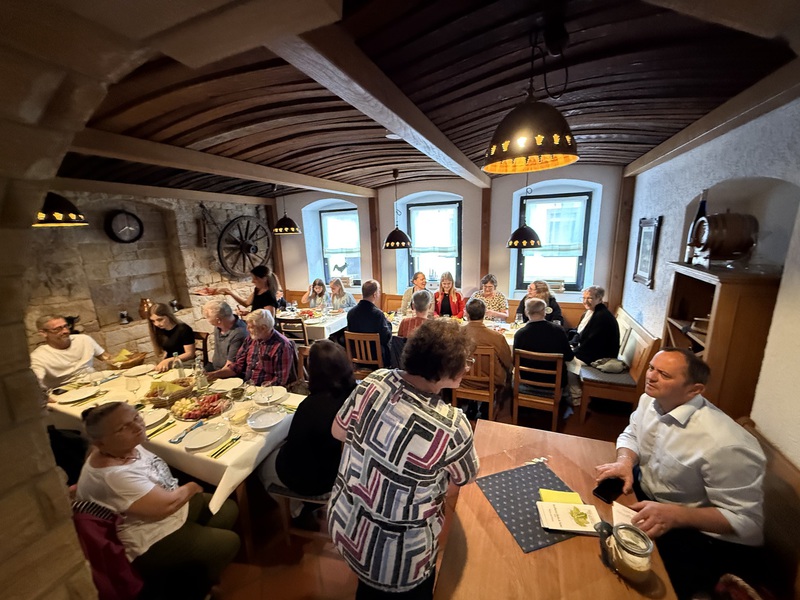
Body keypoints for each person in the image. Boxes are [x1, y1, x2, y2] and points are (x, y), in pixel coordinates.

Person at [595, 349, 766, 599]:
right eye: (651, 368)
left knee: (623, 580)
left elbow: (748, 522)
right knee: (596, 528)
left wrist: (677, 515)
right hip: (649, 500)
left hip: (699, 536)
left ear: (694, 390)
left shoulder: (725, 443)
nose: (650, 376)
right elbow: (631, 433)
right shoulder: (649, 401)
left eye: (664, 375)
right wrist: (625, 460)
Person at [328, 319, 479, 599]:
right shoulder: (453, 425)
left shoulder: (373, 381)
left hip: (346, 524)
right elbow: (464, 479)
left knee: (368, 589)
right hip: (398, 558)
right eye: (465, 362)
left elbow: (338, 432)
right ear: (445, 370)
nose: (468, 367)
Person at [76, 402, 240, 599]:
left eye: (136, 417)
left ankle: (195, 563)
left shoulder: (117, 448)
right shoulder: (113, 476)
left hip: (164, 504)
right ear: (100, 443)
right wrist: (191, 487)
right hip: (149, 536)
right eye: (122, 428)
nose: (137, 427)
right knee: (229, 542)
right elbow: (166, 505)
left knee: (228, 509)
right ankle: (196, 587)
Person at [258, 340, 356, 518]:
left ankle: (297, 510)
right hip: (345, 471)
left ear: (313, 372)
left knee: (260, 464)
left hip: (317, 481)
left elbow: (295, 449)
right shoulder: (355, 394)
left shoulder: (310, 406)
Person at [208, 309, 296, 386]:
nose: (247, 329)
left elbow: (280, 380)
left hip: (267, 390)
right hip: (248, 385)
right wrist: (214, 374)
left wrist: (260, 390)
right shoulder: (251, 338)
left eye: (251, 327)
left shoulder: (282, 345)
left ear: (264, 328)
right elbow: (237, 366)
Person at [513, 298, 574, 409]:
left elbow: (514, 362)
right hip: (554, 382)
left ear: (526, 312)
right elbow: (569, 357)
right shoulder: (558, 331)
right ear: (544, 312)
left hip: (527, 381)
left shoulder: (520, 334)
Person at [566, 285, 620, 404]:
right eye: (584, 298)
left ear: (599, 299)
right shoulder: (590, 312)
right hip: (590, 349)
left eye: (589, 298)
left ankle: (577, 397)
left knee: (567, 361)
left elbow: (593, 343)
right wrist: (570, 344)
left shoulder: (602, 317)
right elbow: (579, 332)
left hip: (600, 355)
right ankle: (568, 391)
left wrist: (572, 352)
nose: (585, 301)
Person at [30, 314, 111, 389]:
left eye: (66, 326)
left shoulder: (84, 339)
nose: (65, 331)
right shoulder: (38, 357)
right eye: (57, 329)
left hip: (95, 381)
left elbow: (106, 357)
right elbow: (35, 382)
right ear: (43, 333)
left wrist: (116, 363)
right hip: (67, 391)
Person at [463, 298, 512, 393]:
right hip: (490, 382)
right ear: (484, 314)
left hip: (462, 379)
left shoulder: (458, 333)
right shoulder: (497, 337)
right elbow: (508, 363)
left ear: (467, 314)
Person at [346, 279, 392, 367]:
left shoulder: (351, 313)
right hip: (376, 358)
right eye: (379, 291)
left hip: (357, 357)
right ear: (375, 294)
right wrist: (388, 323)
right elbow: (385, 338)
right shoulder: (377, 314)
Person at [201, 300, 248, 371]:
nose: (208, 320)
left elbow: (230, 365)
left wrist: (212, 375)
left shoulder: (239, 333)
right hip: (215, 367)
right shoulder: (218, 327)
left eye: (208, 317)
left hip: (230, 372)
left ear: (218, 320)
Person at [148, 303, 196, 373]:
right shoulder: (161, 330)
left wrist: (167, 361)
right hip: (172, 363)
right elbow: (168, 351)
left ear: (169, 316)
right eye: (153, 321)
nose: (156, 324)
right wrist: (163, 362)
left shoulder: (183, 329)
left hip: (186, 363)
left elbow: (190, 354)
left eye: (160, 319)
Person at [216, 264, 281, 314]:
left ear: (264, 279)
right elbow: (246, 303)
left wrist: (250, 314)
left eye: (255, 279)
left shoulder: (269, 296)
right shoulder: (257, 290)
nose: (253, 281)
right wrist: (230, 293)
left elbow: (269, 319)